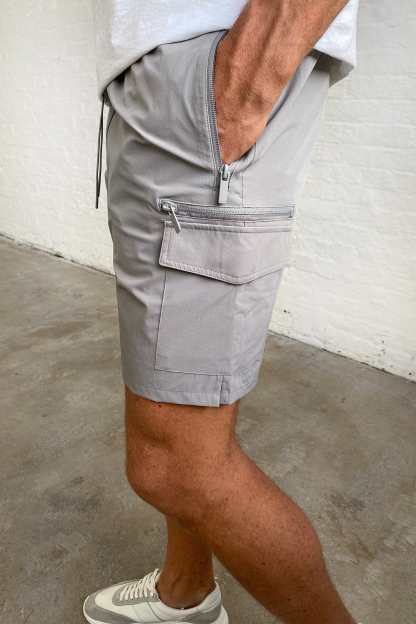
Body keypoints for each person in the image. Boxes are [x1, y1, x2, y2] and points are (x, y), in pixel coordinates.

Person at [85, 1, 362, 623]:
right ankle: (186, 589)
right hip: (178, 81)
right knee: (190, 412)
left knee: (173, 465)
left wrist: (243, 80)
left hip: (207, 81)